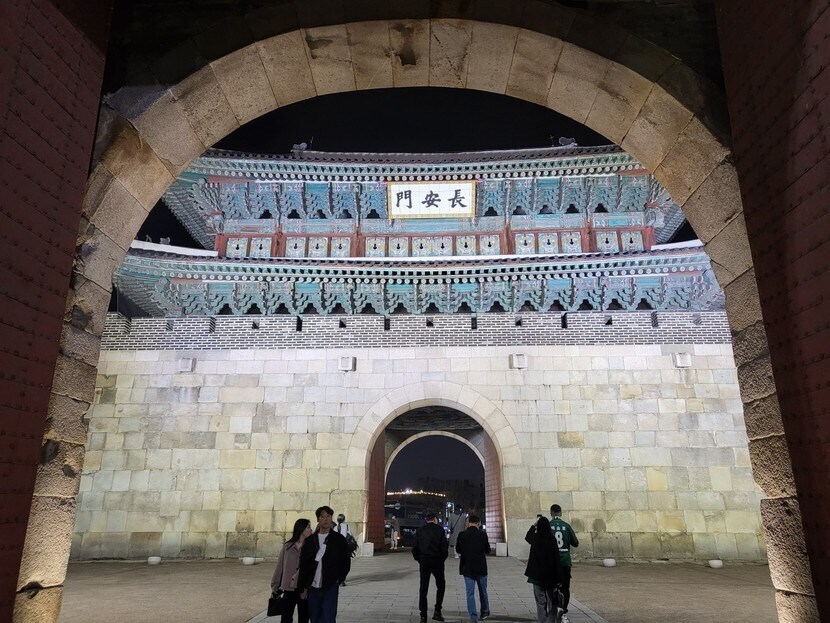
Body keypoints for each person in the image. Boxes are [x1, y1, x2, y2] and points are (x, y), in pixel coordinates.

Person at [298, 506, 351, 623]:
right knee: (314, 618)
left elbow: (345, 561)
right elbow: (304, 565)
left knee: (328, 618)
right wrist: (303, 587)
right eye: (322, 517)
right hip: (313, 587)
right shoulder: (310, 541)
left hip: (330, 586)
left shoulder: (339, 540)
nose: (326, 519)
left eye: (328, 516)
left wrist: (339, 579)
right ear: (318, 519)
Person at [271, 518, 313, 623]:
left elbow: (312, 569)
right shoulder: (287, 547)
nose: (311, 530)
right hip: (288, 588)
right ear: (301, 529)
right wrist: (275, 587)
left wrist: (307, 588)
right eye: (308, 527)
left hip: (303, 589)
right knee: (286, 617)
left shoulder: (311, 548)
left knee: (303, 617)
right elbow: (279, 567)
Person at [525, 515, 563, 623]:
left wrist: (534, 525)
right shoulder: (552, 539)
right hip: (550, 575)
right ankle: (550, 621)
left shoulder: (535, 538)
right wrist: (559, 577)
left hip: (537, 575)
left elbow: (527, 536)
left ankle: (542, 620)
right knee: (551, 600)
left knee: (540, 601)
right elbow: (556, 559)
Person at [412, 512, 449, 623]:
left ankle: (423, 616)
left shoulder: (420, 531)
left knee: (423, 589)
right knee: (441, 586)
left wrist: (420, 559)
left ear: (426, 520)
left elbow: (414, 549)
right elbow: (444, 549)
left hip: (424, 561)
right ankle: (437, 611)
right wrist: (441, 559)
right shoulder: (440, 530)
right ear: (435, 519)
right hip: (437, 561)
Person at [455, 514, 491, 622]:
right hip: (481, 567)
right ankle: (484, 612)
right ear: (478, 523)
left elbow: (458, 550)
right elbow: (487, 550)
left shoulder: (462, 535)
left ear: (468, 523)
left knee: (470, 593)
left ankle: (473, 616)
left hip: (467, 567)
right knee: (483, 592)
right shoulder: (482, 534)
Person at [550, 504, 579, 623]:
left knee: (551, 587)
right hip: (565, 562)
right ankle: (563, 613)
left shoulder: (548, 526)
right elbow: (575, 543)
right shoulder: (566, 526)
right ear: (561, 513)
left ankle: (553, 611)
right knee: (565, 588)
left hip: (552, 562)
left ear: (551, 513)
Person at [333, 514, 354, 584]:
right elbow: (351, 535)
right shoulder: (346, 526)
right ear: (344, 519)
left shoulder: (335, 527)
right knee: (347, 565)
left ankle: (338, 578)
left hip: (337, 549)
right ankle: (342, 579)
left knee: (339, 564)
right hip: (345, 549)